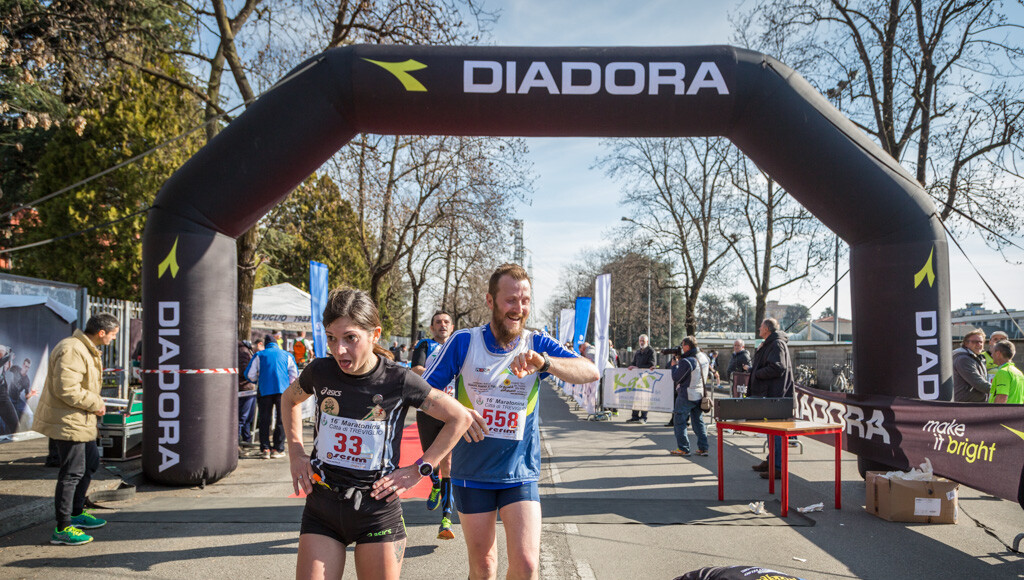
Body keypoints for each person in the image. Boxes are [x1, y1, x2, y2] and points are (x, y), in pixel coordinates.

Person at [280, 287, 483, 579]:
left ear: (375, 334)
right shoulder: (320, 372)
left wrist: (419, 469)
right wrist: (296, 452)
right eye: (331, 338)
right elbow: (289, 399)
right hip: (323, 507)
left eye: (350, 338)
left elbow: (459, 418)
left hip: (377, 511)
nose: (339, 350)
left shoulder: (398, 380)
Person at [422, 263, 600, 580]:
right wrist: (458, 413)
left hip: (519, 473)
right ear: (490, 301)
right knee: (484, 567)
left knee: (527, 565)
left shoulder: (536, 343)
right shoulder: (464, 341)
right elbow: (423, 394)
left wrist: (545, 363)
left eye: (525, 300)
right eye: (511, 300)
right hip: (472, 472)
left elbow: (590, 371)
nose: (519, 308)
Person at [32, 313, 119, 545]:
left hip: (80, 420)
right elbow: (67, 389)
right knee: (72, 473)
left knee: (90, 463)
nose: (113, 339)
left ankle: (76, 513)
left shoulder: (84, 348)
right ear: (101, 332)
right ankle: (62, 528)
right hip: (69, 421)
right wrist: (96, 403)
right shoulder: (72, 349)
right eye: (113, 334)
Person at [411, 310, 459, 539]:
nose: (443, 325)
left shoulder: (459, 346)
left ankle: (446, 519)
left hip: (452, 411)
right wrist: (443, 373)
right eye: (438, 322)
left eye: (446, 322)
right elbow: (416, 370)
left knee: (448, 461)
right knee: (430, 458)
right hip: (428, 408)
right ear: (432, 328)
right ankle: (436, 484)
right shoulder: (425, 345)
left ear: (452, 326)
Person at [747, 318, 795, 479]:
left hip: (777, 396)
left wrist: (757, 374)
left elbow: (778, 367)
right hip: (771, 395)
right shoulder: (770, 343)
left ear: (767, 328)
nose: (759, 328)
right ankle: (771, 461)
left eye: (761, 326)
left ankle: (778, 467)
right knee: (771, 430)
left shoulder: (776, 344)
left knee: (777, 431)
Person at [245, 333, 299, 459]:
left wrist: (258, 380)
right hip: (283, 391)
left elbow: (249, 374)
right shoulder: (287, 355)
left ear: (266, 345)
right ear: (276, 344)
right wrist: (287, 382)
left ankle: (265, 449)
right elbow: (294, 374)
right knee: (282, 419)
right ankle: (278, 449)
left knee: (264, 420)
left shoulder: (259, 355)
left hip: (264, 390)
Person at [669, 336, 710, 457]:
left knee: (679, 421)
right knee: (698, 421)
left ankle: (684, 449)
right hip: (700, 394)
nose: (681, 348)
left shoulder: (688, 361)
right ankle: (703, 448)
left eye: (682, 345)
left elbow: (677, 377)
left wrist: (674, 366)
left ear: (687, 346)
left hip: (687, 394)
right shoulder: (704, 356)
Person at [953, 329, 990, 402]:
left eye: (981, 342)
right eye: (974, 342)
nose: (979, 344)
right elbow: (978, 382)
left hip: (974, 403)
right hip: (966, 405)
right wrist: (999, 390)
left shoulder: (977, 358)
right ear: (966, 344)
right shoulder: (963, 359)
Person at [625, 334, 656, 424]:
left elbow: (652, 365)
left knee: (644, 399)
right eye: (640, 341)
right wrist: (631, 366)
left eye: (643, 341)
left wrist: (638, 368)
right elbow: (634, 363)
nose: (641, 342)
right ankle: (634, 416)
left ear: (647, 341)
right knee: (636, 398)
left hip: (646, 379)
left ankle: (643, 417)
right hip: (637, 379)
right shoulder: (638, 352)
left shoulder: (651, 351)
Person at [237, 340, 257, 454]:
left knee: (247, 418)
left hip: (247, 388)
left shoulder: (244, 350)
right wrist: (255, 373)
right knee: (242, 418)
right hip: (244, 388)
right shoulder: (243, 351)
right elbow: (244, 370)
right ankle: (239, 443)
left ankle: (246, 440)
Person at [988, 340, 1023, 404]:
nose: (991, 355)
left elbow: (1002, 397)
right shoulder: (1019, 373)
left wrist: (993, 410)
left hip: (1005, 410)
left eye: (992, 352)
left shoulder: (1003, 372)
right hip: (1017, 410)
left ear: (998, 353)